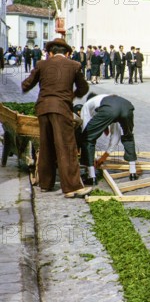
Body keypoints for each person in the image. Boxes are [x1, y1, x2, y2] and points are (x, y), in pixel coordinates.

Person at [21, 38, 91, 198]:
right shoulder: (74, 65)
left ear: (50, 53)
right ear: (67, 53)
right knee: (66, 146)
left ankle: (45, 184)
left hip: (43, 109)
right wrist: (71, 96)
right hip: (61, 109)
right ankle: (72, 187)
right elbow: (83, 88)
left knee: (46, 145)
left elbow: (26, 84)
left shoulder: (41, 64)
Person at [76, 92, 139, 185]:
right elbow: (116, 136)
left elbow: (86, 131)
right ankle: (133, 173)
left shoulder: (87, 105)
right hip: (127, 106)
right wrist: (104, 156)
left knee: (88, 139)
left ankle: (91, 176)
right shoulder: (108, 100)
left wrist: (87, 156)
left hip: (110, 109)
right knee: (128, 137)